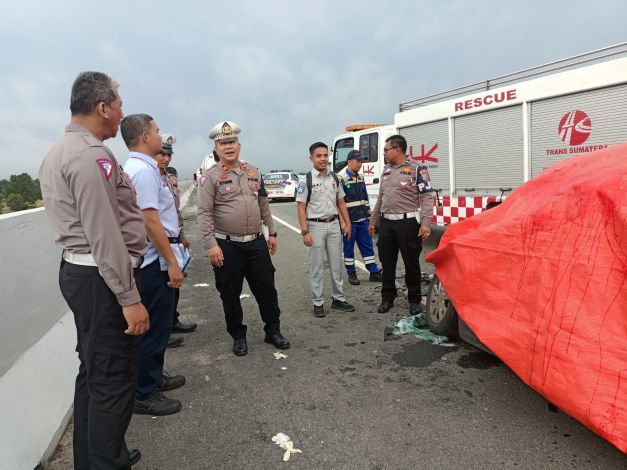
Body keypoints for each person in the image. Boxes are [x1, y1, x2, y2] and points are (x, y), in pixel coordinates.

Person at [39, 71, 146, 469]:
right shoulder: (91, 156)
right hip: (102, 279)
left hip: (82, 274)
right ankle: (106, 460)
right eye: (118, 105)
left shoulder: (60, 150)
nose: (121, 113)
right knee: (113, 379)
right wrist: (130, 298)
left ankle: (96, 456)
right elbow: (105, 235)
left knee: (94, 373)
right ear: (102, 107)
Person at [197, 121, 290, 356]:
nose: (228, 147)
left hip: (256, 243)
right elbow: (204, 213)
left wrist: (272, 232)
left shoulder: (254, 171)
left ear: (239, 145)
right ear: (216, 148)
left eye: (232, 142)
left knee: (267, 290)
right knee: (230, 294)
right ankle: (238, 336)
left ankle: (273, 331)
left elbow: (263, 204)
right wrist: (211, 245)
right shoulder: (210, 178)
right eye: (223, 143)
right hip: (227, 246)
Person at [122, 114, 187, 416]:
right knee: (156, 329)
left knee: (158, 327)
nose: (161, 137)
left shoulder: (142, 168)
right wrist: (171, 262)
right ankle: (144, 392)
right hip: (153, 262)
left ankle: (152, 376)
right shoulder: (144, 172)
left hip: (154, 258)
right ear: (146, 137)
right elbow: (150, 221)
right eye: (157, 131)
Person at [368, 135, 434, 315]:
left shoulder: (417, 169)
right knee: (387, 262)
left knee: (411, 263)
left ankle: (414, 300)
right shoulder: (386, 171)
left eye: (386, 150)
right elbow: (381, 199)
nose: (384, 153)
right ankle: (387, 298)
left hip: (408, 224)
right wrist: (373, 220)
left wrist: (426, 223)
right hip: (387, 224)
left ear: (397, 149)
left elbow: (427, 197)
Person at [296, 142, 355, 317]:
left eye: (324, 155)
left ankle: (338, 299)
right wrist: (305, 231)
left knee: (337, 264)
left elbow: (341, 202)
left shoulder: (335, 178)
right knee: (316, 266)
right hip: (315, 226)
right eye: (318, 156)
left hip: (334, 225)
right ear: (311, 158)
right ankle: (318, 302)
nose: (322, 159)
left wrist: (347, 223)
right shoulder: (305, 180)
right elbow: (300, 207)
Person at [157, 135, 198, 335]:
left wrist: (182, 237)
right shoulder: (150, 177)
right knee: (161, 290)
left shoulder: (168, 179)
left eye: (169, 154)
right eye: (161, 154)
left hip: (174, 241)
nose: (166, 158)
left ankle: (172, 322)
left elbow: (174, 212)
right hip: (157, 245)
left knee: (174, 287)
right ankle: (162, 331)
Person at [337, 150, 382, 285]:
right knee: (349, 249)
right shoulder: (341, 178)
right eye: (358, 161)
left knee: (367, 246)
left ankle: (373, 272)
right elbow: (338, 202)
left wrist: (369, 212)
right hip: (349, 221)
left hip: (362, 219)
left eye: (361, 161)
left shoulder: (360, 176)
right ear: (349, 161)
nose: (360, 164)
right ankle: (351, 273)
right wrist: (343, 223)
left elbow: (364, 197)